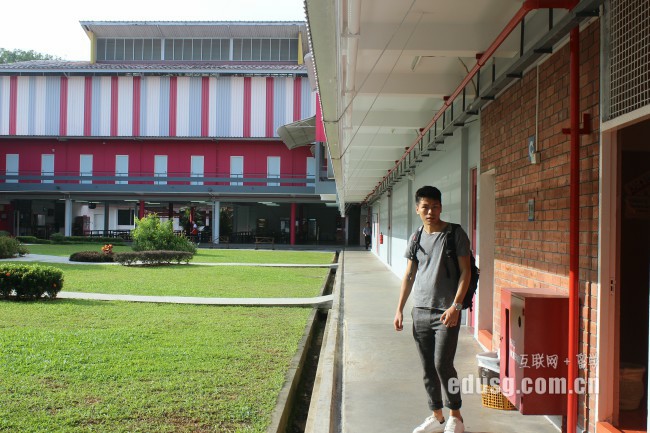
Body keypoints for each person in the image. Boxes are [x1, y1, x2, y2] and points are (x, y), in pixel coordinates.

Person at [393, 186, 471, 433]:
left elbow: (466, 272)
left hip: (446, 312)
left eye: (435, 207)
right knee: (427, 367)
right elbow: (409, 275)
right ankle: (436, 414)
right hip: (420, 311)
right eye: (425, 207)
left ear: (441, 207)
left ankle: (456, 416)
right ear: (417, 209)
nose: (430, 212)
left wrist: (456, 306)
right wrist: (399, 309)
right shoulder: (416, 238)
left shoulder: (455, 233)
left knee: (442, 364)